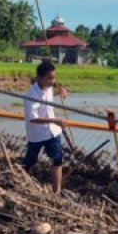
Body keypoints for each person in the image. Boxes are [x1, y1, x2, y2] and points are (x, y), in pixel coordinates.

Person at [23, 60, 68, 194]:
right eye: (49, 78)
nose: (52, 81)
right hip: (37, 134)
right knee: (29, 162)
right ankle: (22, 182)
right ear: (40, 78)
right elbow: (33, 118)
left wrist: (59, 93)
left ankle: (57, 192)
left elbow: (47, 99)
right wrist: (54, 120)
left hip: (52, 133)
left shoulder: (48, 89)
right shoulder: (31, 95)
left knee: (57, 160)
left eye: (54, 77)